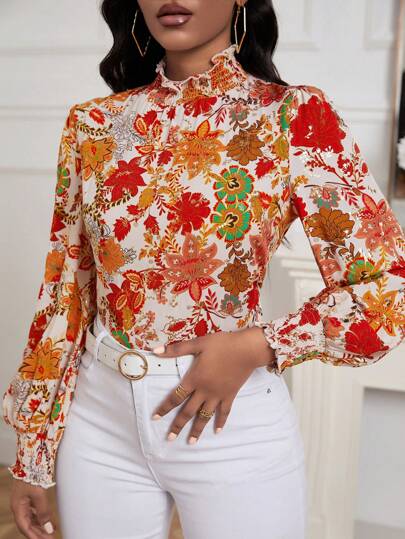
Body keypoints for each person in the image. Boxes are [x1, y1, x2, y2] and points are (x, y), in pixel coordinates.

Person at [2, 0, 405, 537]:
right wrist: (32, 452)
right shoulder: (93, 125)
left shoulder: (292, 116)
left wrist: (259, 345)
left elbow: (388, 287)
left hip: (229, 424)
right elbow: (65, 294)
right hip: (97, 420)